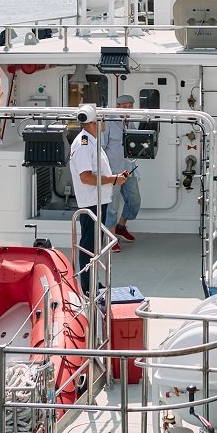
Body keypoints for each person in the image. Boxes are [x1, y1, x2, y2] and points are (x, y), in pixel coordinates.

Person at [69, 119, 131, 295]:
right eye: (102, 120)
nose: (105, 122)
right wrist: (113, 179)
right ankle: (88, 287)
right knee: (88, 244)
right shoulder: (84, 143)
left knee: (93, 244)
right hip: (91, 202)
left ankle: (93, 283)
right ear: (92, 124)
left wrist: (114, 178)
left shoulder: (91, 141)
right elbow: (86, 178)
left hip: (98, 201)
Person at [101, 94, 143, 245]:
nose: (127, 109)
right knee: (112, 207)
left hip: (128, 169)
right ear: (117, 106)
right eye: (124, 106)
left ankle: (121, 226)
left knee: (134, 201)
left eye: (130, 106)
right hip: (113, 172)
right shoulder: (109, 122)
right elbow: (101, 149)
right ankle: (111, 239)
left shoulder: (129, 122)